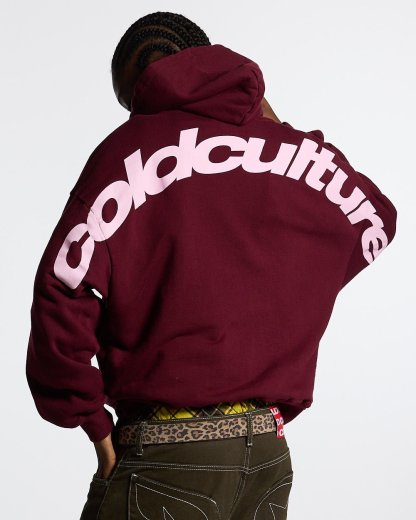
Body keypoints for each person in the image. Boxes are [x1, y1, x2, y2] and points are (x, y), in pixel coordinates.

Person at [25, 11, 397, 519]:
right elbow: (374, 220)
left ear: (140, 85)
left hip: (165, 454)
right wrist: (269, 125)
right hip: (266, 453)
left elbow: (63, 285)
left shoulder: (128, 154)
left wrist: (92, 424)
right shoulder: (288, 154)